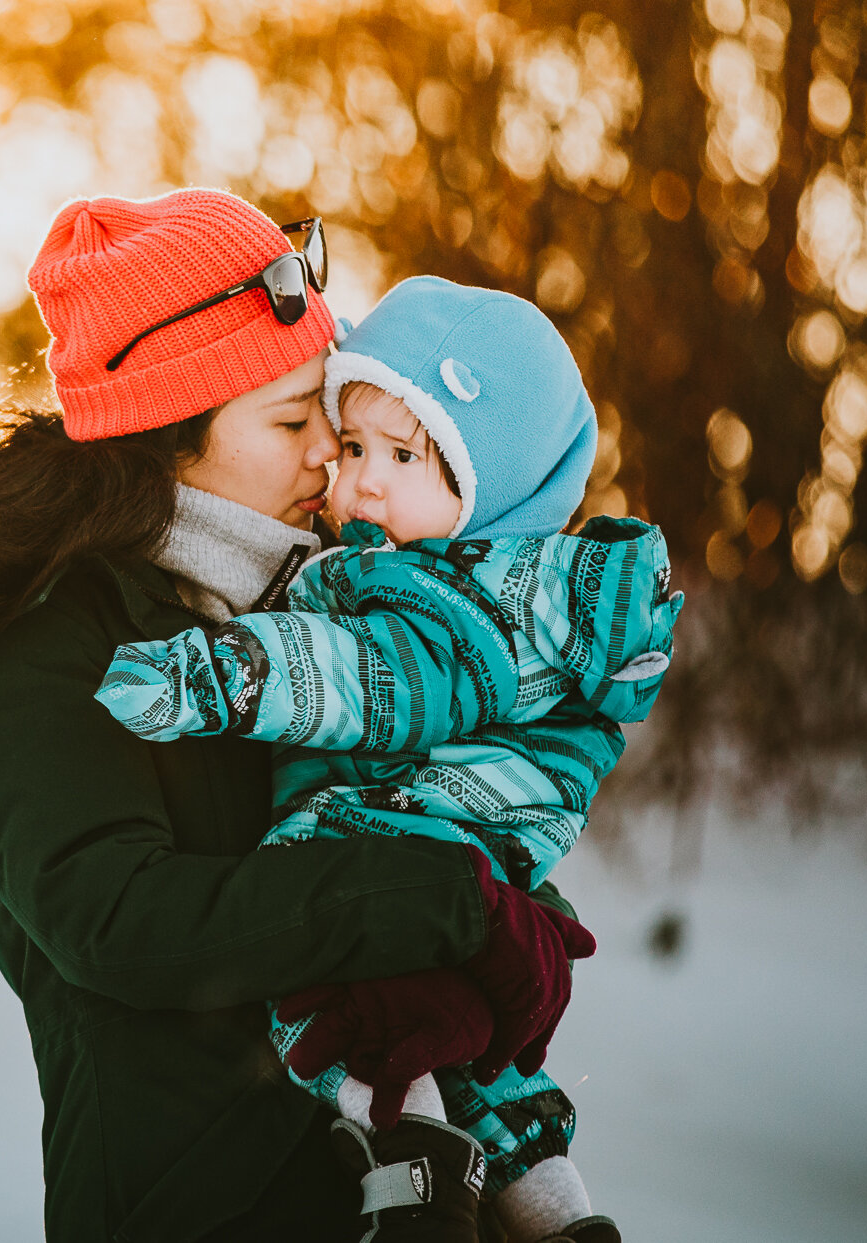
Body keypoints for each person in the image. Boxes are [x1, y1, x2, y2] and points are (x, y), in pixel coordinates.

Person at [0, 191, 594, 1243]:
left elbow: (405, 820)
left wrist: (511, 907)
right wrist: (447, 900)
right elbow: (120, 920)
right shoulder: (24, 656)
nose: (333, 450)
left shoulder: (302, 603)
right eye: (290, 418)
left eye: (330, 404)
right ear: (165, 440)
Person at [97, 277, 683, 1243]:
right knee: (487, 1069)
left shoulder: (463, 600)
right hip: (446, 851)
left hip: (408, 834)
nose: (360, 478)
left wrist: (220, 676)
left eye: (406, 456)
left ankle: (416, 1179)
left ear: (493, 489)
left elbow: (373, 680)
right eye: (356, 443)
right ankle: (560, 1219)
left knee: (358, 1020)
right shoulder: (483, 581)